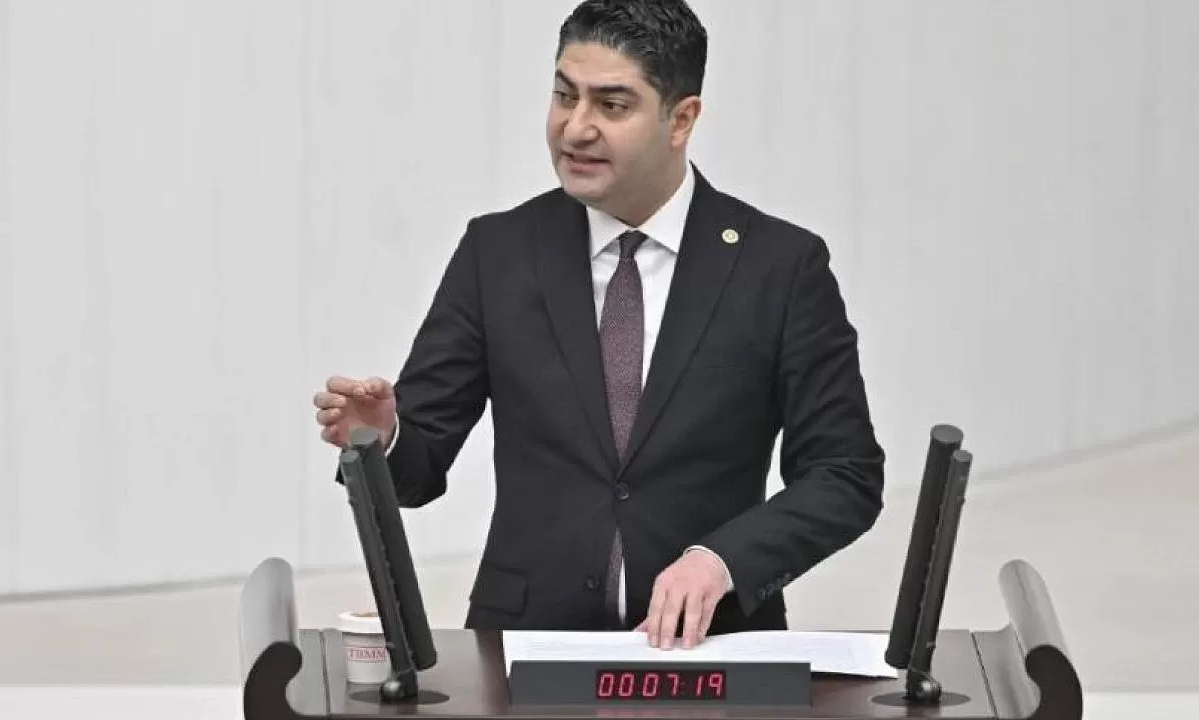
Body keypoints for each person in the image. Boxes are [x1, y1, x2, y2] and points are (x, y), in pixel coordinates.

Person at [312, 0, 884, 651]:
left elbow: (845, 473)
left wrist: (723, 561)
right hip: (525, 647)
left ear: (681, 119)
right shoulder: (497, 254)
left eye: (612, 105)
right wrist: (381, 439)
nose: (575, 128)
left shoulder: (779, 267)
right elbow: (416, 470)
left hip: (712, 648)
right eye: (564, 96)